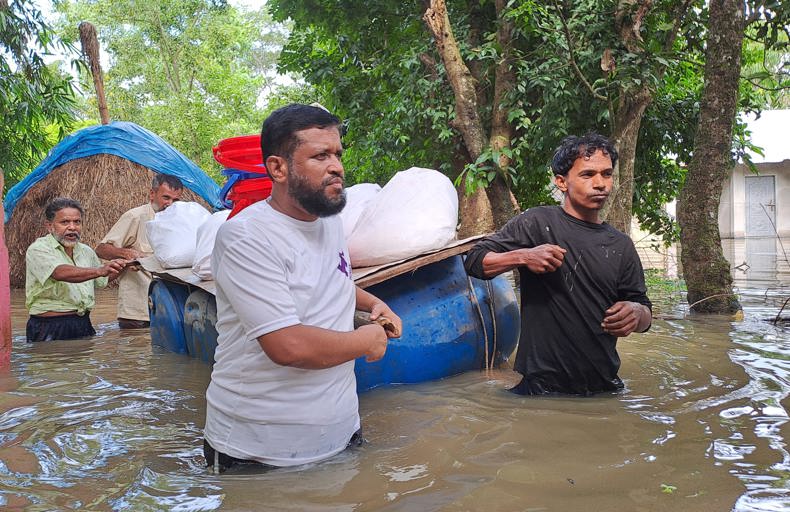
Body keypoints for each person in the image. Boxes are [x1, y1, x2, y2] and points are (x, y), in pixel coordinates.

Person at [203, 104, 403, 472]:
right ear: (278, 168)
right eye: (320, 155)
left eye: (338, 154)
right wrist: (368, 340)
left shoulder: (328, 222)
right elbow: (287, 345)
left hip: (341, 436)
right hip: (260, 455)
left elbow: (333, 278)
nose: (337, 167)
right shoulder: (246, 236)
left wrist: (375, 302)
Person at [464, 133, 652, 396]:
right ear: (562, 182)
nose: (600, 184)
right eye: (588, 175)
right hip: (538, 390)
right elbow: (474, 261)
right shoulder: (537, 223)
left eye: (606, 174)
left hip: (603, 390)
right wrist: (524, 256)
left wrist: (636, 313)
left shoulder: (621, 246)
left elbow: (644, 312)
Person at [25, 197, 127, 342]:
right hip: (48, 326)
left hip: (83, 323)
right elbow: (59, 272)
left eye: (77, 222)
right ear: (50, 226)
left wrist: (123, 266)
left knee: (83, 364)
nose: (72, 227)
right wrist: (99, 270)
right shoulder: (38, 249)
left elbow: (101, 280)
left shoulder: (86, 251)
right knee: (49, 364)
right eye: (65, 222)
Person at [95, 174, 183, 329]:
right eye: (166, 198)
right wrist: (128, 254)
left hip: (169, 311)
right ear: (152, 194)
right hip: (137, 313)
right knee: (134, 348)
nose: (170, 204)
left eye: (175, 200)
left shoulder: (181, 221)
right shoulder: (135, 216)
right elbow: (102, 249)